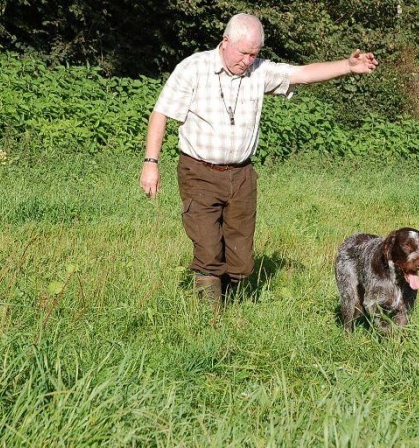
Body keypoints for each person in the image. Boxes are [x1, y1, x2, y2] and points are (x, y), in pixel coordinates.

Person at [140, 13, 378, 311]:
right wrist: (151, 162)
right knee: (208, 248)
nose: (248, 60)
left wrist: (347, 66)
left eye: (254, 54)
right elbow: (160, 113)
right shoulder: (193, 68)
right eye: (243, 53)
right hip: (198, 171)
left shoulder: (259, 71)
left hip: (241, 175)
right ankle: (209, 319)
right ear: (225, 42)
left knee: (240, 261)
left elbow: (301, 73)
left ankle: (228, 299)